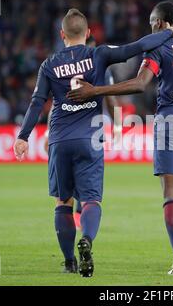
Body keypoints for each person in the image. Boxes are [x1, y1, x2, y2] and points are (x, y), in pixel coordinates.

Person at [13, 8, 173, 277]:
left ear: (62, 35)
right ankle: (87, 240)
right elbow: (135, 47)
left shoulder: (49, 64)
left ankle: (69, 262)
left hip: (59, 139)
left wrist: (23, 136)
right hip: (89, 138)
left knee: (63, 202)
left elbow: (36, 103)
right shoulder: (98, 54)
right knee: (91, 201)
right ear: (88, 33)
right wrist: (168, 33)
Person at [68, 2, 173, 275]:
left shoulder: (159, 47)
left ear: (163, 22)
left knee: (171, 195)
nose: (151, 28)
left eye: (153, 23)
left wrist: (95, 90)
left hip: (169, 122)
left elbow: (139, 84)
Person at [43, 36, 122, 231]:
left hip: (63, 133)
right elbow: (111, 99)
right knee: (88, 182)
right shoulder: (99, 63)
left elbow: (54, 104)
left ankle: (70, 253)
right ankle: (84, 225)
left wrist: (47, 132)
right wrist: (118, 126)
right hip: (89, 132)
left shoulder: (61, 64)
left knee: (64, 194)